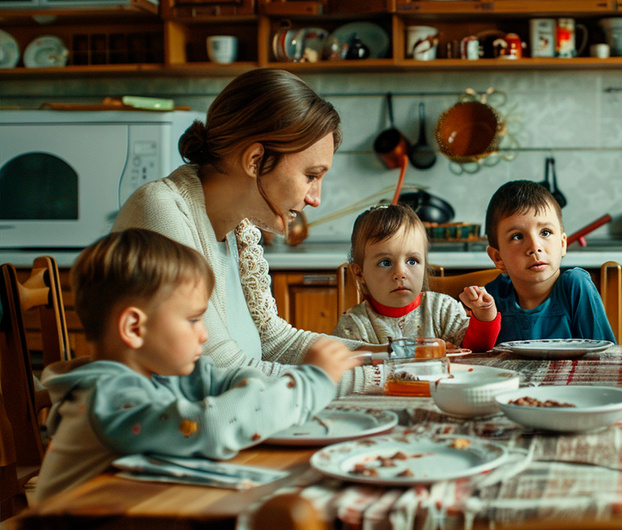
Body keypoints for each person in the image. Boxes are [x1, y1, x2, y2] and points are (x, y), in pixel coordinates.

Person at [35, 229, 352, 502]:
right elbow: (210, 427)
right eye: (192, 319)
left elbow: (220, 379)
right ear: (134, 328)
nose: (203, 334)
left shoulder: (159, 374)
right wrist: (313, 382)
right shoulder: (109, 396)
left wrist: (248, 386)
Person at [113, 68, 371, 393]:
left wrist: (392, 358)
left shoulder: (239, 224)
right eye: (310, 176)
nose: (315, 199)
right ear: (255, 160)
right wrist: (380, 379)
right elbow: (220, 372)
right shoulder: (162, 213)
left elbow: (274, 340)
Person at [331, 203, 500, 352]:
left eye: (412, 261)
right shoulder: (353, 325)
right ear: (360, 273)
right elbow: (343, 367)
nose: (400, 273)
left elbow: (477, 349)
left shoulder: (442, 310)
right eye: (385, 262)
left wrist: (485, 315)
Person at [483, 180, 615, 344]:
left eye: (545, 232)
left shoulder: (575, 286)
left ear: (562, 244)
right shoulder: (493, 297)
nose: (535, 247)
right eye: (517, 236)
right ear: (498, 258)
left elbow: (604, 355)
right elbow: (478, 358)